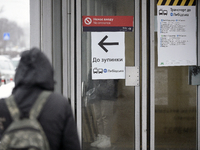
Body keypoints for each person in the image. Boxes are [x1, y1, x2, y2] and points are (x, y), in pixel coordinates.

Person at [0, 48, 81, 150]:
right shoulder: (60, 105)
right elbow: (72, 146)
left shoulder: (3, 106)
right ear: (48, 72)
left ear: (19, 73)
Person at [86, 71, 118, 149]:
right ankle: (101, 137)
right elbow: (90, 81)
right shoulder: (94, 65)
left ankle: (106, 138)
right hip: (96, 95)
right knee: (98, 117)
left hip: (107, 95)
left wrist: (100, 90)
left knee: (105, 117)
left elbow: (111, 83)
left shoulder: (108, 65)